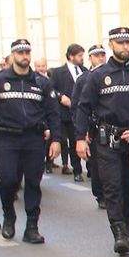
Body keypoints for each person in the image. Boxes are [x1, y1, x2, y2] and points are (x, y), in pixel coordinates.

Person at [0, 38, 62, 243]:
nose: (24, 56)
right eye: (20, 53)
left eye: (27, 53)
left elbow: (53, 113)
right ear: (13, 55)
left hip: (33, 138)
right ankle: (8, 217)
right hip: (8, 138)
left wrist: (57, 139)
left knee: (33, 182)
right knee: (8, 180)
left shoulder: (41, 82)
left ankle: (32, 226)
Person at [77, 27, 129, 254]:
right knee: (112, 187)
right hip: (107, 140)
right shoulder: (98, 75)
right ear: (111, 45)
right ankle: (118, 232)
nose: (125, 47)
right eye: (120, 43)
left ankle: (127, 228)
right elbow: (83, 107)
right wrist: (80, 137)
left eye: (128, 42)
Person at [74, 44, 109, 204]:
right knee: (96, 163)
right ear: (90, 58)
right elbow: (78, 106)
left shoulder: (111, 75)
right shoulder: (83, 79)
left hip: (109, 125)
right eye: (97, 55)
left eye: (102, 54)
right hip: (93, 127)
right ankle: (100, 194)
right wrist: (82, 132)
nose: (101, 58)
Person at [49, 44, 87, 180]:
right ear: (71, 56)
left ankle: (82, 169)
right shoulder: (58, 72)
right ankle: (75, 170)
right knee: (67, 142)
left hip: (79, 113)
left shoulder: (85, 71)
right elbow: (50, 89)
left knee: (78, 140)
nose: (82, 58)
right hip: (64, 113)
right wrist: (61, 97)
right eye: (79, 56)